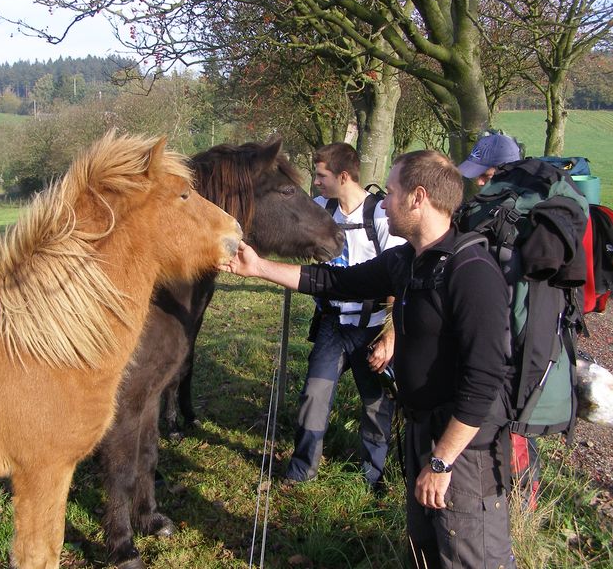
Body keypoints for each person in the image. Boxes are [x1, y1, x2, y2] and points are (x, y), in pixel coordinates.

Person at [221, 150, 517, 568]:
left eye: (392, 191)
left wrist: (442, 459)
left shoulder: (472, 271)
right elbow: (334, 280)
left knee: (469, 554)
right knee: (425, 553)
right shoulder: (408, 260)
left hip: (462, 451)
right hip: (421, 434)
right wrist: (261, 268)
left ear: (418, 197)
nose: (384, 200)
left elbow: (486, 378)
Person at [285, 143, 403, 487]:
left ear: (344, 176)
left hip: (374, 328)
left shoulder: (379, 214)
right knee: (314, 396)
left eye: (321, 175)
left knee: (375, 405)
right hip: (333, 325)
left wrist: (391, 337)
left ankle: (374, 477)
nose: (316, 182)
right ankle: (301, 469)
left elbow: (398, 278)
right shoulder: (320, 209)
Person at [460, 132, 542, 511]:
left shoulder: (509, 215)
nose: (477, 181)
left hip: (511, 340)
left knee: (513, 423)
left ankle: (522, 506)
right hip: (505, 333)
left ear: (504, 170)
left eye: (483, 173)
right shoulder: (497, 208)